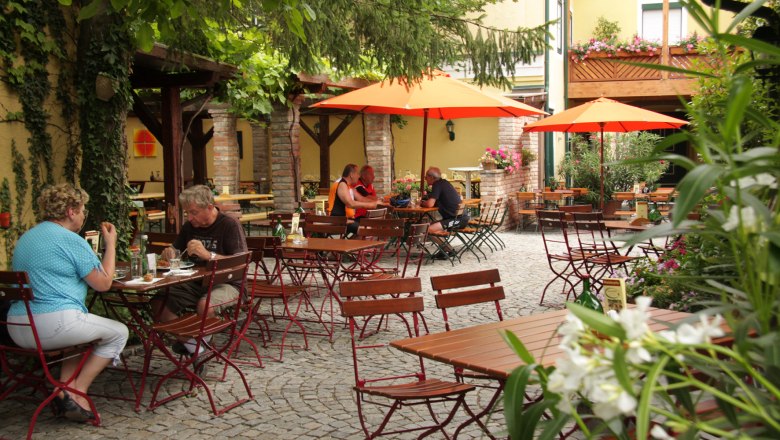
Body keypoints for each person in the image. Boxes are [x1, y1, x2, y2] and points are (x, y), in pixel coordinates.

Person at [8, 183, 128, 422]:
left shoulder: (27, 237)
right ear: (71, 211)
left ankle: (64, 387)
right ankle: (74, 392)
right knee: (119, 332)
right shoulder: (71, 240)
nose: (84, 215)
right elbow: (103, 284)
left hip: (17, 326)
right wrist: (111, 245)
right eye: (82, 209)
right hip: (53, 325)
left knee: (80, 340)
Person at [153, 185, 248, 356]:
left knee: (205, 305)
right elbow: (176, 249)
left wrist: (208, 255)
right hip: (194, 282)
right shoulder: (190, 227)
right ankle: (195, 346)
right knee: (160, 302)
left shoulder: (229, 224)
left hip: (229, 283)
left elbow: (240, 264)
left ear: (210, 208)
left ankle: (198, 345)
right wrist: (170, 252)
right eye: (187, 213)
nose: (189, 217)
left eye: (194, 212)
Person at [420, 167, 464, 258]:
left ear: (432, 177)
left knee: (428, 229)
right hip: (456, 217)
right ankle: (444, 251)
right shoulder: (444, 183)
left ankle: (450, 250)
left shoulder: (437, 185)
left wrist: (421, 203)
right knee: (431, 225)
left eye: (426, 177)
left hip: (457, 219)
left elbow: (430, 204)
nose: (425, 179)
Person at [331, 164, 378, 236]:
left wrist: (377, 202)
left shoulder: (348, 185)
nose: (359, 176)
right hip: (338, 220)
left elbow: (362, 199)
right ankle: (357, 246)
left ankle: (355, 245)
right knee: (367, 230)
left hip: (347, 219)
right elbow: (350, 204)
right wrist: (371, 205)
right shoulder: (341, 184)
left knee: (370, 227)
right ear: (351, 175)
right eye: (357, 173)